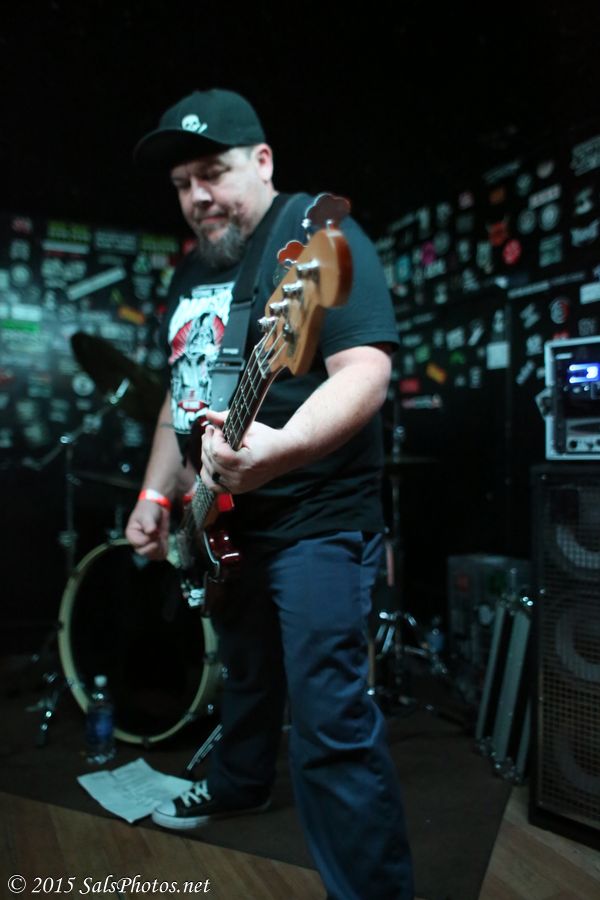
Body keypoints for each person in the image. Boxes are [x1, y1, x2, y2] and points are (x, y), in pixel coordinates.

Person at [126, 88, 414, 900]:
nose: (197, 197)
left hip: (316, 518)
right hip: (222, 524)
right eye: (182, 184)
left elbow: (365, 372)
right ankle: (237, 783)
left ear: (262, 161)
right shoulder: (193, 269)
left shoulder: (318, 242)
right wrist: (156, 496)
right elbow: (179, 398)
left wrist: (281, 450)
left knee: (328, 723)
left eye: (212, 173)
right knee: (246, 680)